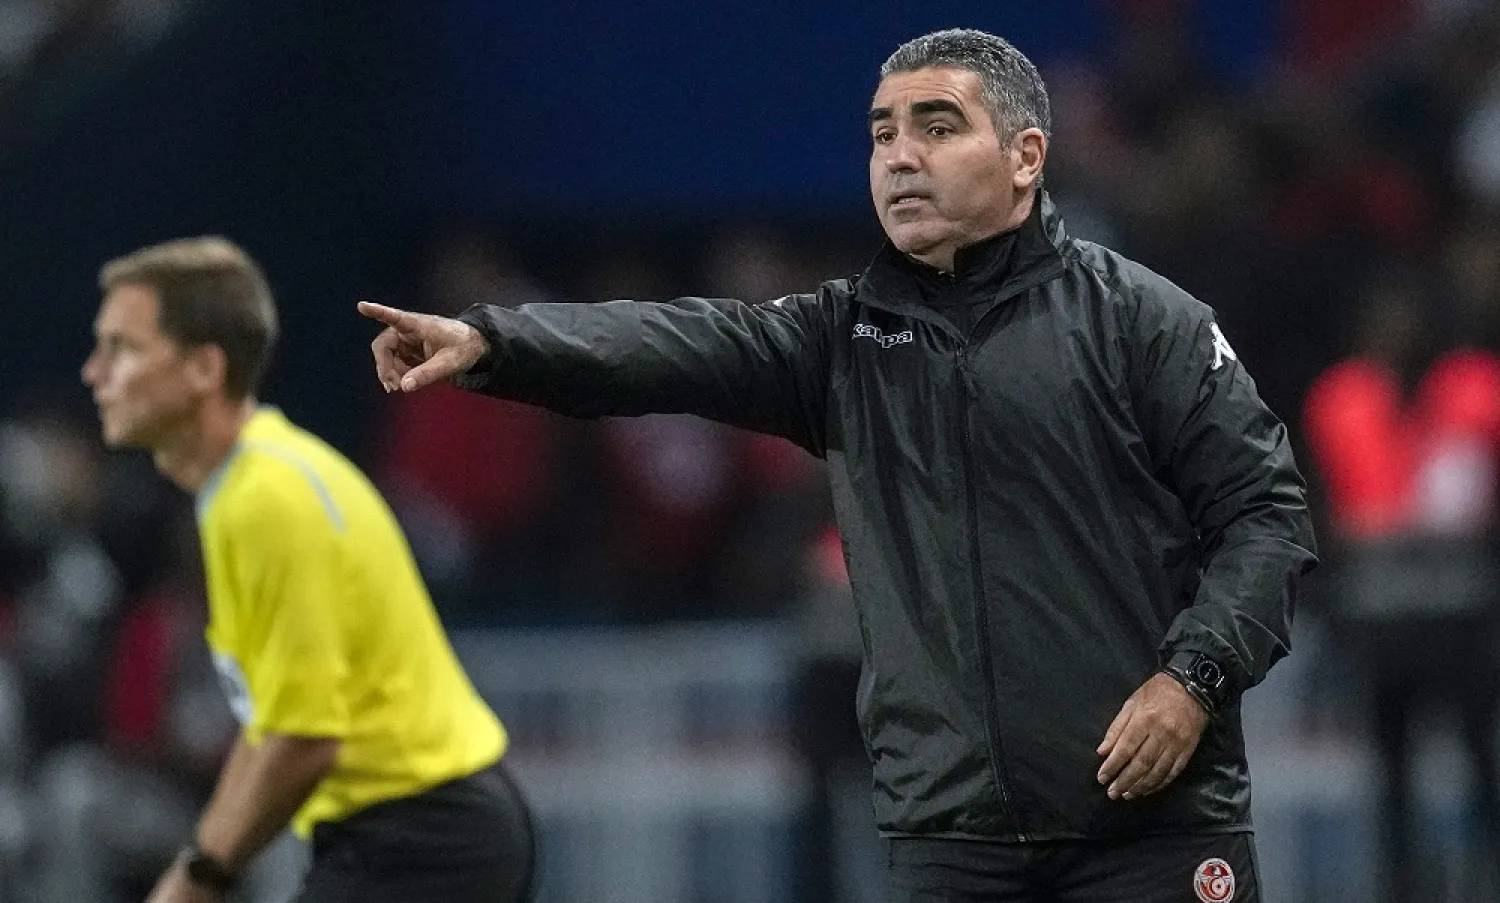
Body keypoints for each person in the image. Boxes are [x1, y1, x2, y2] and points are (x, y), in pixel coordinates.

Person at [360, 28, 1316, 902]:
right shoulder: (844, 339)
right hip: (951, 842)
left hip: (1150, 832)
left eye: (937, 127)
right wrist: (493, 343)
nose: (900, 155)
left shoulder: (1148, 322)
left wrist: (1191, 679)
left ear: (1026, 158)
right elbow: (677, 341)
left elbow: (1267, 516)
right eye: (881, 133)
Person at [81, 236, 537, 903]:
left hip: (431, 838)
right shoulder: (240, 489)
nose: (96, 372)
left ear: (205, 368)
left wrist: (199, 875)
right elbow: (272, 723)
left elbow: (305, 739)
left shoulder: (270, 497)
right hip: (403, 833)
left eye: (122, 348)